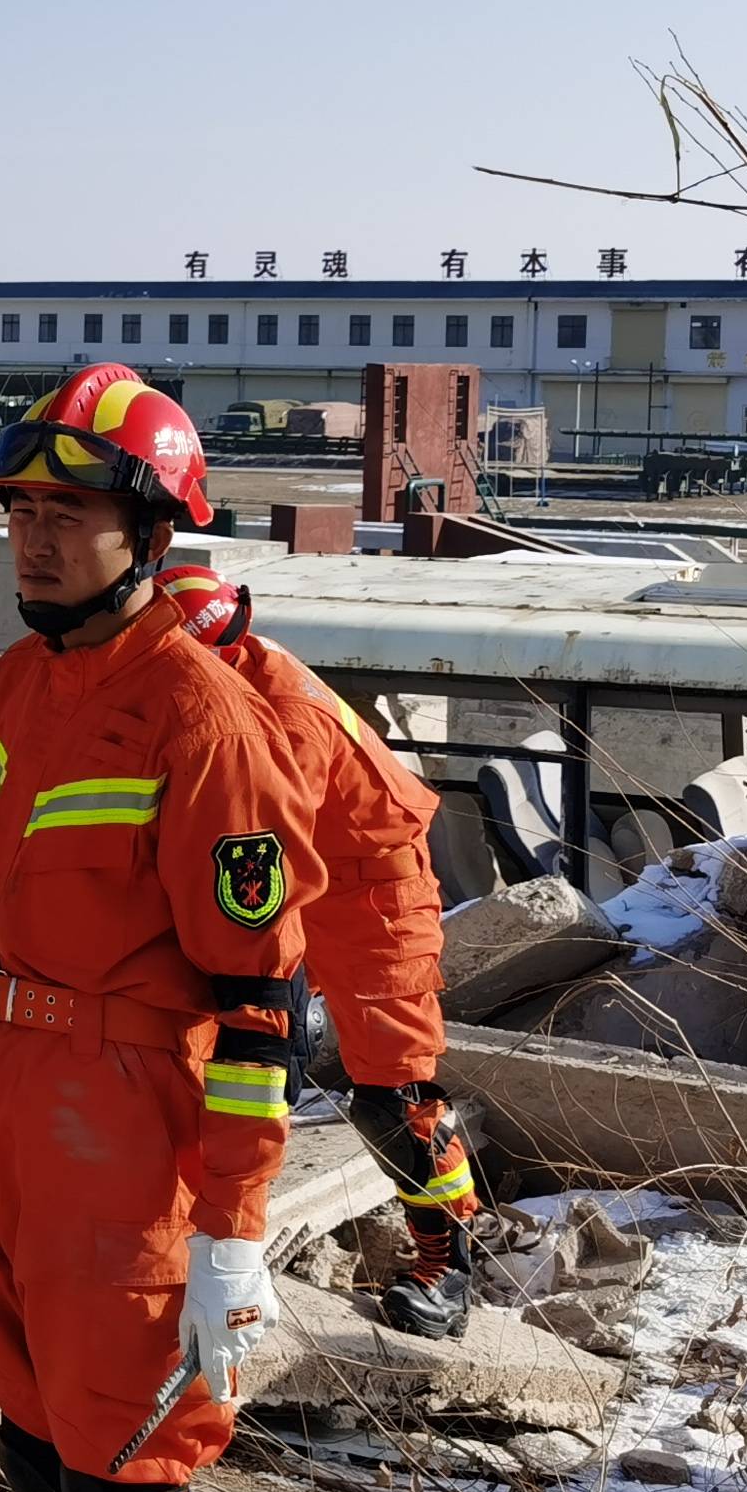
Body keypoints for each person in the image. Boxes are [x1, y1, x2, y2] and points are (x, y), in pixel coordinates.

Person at [0, 368, 322, 1492]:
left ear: (149, 526)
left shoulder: (202, 718)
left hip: (119, 1133)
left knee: (120, 1469)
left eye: (74, 514)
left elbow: (259, 1003)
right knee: (35, 1445)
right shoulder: (19, 681)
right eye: (22, 508)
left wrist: (230, 1230)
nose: (35, 540)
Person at [158, 563, 482, 1338]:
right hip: (329, 864)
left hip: (377, 887)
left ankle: (451, 1265)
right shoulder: (235, 675)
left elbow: (261, 848)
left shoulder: (282, 716)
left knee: (395, 1092)